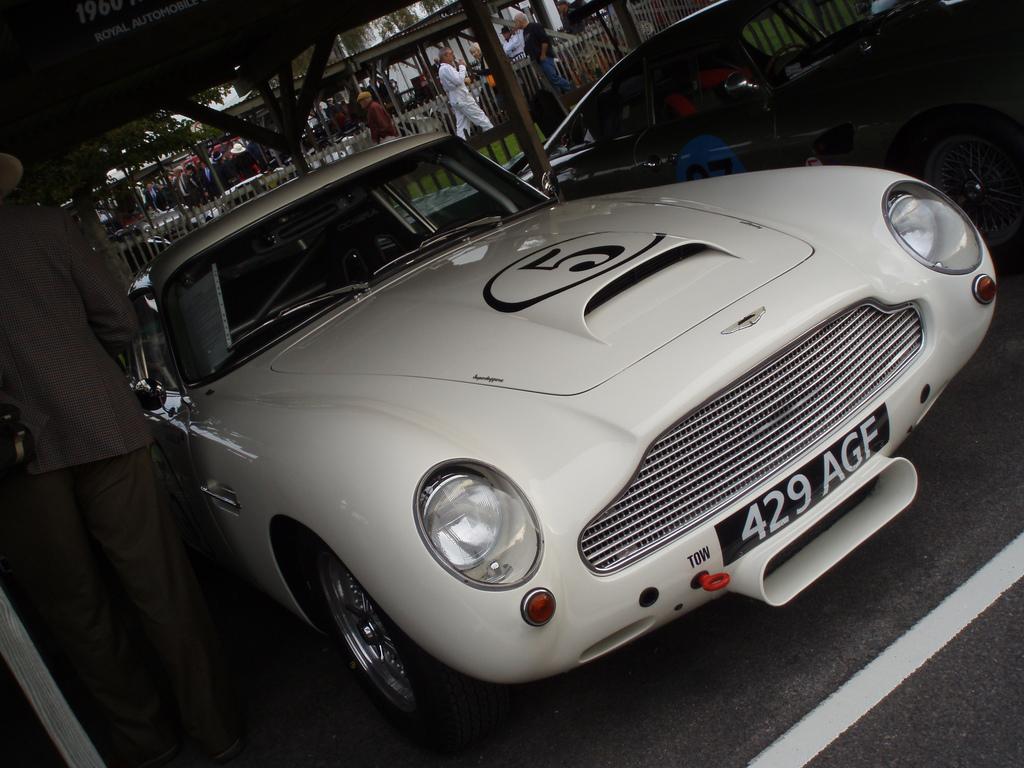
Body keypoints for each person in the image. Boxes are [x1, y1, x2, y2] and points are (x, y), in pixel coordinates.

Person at [0, 152, 243, 768]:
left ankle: (146, 738)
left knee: (76, 611)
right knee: (160, 581)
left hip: (13, 458)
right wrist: (80, 366)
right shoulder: (45, 227)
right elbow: (116, 316)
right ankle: (216, 728)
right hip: (100, 420)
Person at [437, 47, 494, 140]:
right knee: (479, 116)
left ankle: (464, 143)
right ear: (445, 57)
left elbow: (452, 83)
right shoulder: (446, 68)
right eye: (451, 54)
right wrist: (462, 67)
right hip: (462, 98)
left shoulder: (443, 69)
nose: (453, 55)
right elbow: (458, 80)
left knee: (462, 125)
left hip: (456, 98)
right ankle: (493, 133)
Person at [515, 13, 574, 94]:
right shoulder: (524, 32)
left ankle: (574, 89)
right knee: (549, 83)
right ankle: (559, 99)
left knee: (552, 77)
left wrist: (543, 54)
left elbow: (544, 40)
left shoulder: (534, 26)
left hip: (544, 58)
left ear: (520, 21)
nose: (515, 24)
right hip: (538, 61)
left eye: (515, 22)